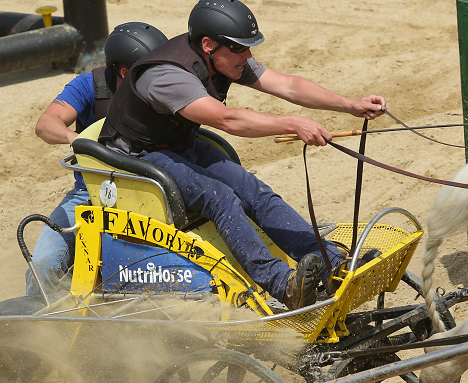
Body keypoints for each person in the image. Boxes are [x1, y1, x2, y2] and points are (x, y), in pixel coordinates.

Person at [99, 0, 386, 310]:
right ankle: (282, 284)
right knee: (220, 196)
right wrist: (292, 122)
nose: (248, 55)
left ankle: (332, 264)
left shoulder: (225, 56)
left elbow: (288, 85)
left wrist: (351, 104)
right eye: (241, 48)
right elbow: (227, 120)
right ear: (208, 44)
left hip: (180, 143)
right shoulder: (168, 76)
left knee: (253, 189)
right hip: (138, 156)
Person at [26, 22, 169, 298]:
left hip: (150, 194)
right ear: (126, 72)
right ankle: (40, 333)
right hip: (89, 193)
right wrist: (76, 139)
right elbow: (46, 124)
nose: (161, 79)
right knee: (42, 267)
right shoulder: (89, 86)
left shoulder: (167, 89)